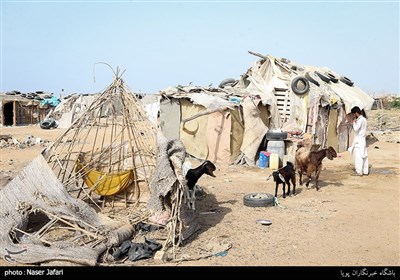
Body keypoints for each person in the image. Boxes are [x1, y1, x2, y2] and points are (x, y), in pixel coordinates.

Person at [348, 106, 369, 176]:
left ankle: (359, 171)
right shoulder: (364, 119)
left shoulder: (360, 120)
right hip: (362, 140)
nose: (353, 116)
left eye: (353, 114)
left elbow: (356, 129)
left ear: (356, 113)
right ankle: (365, 171)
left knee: (358, 156)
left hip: (358, 141)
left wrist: (354, 123)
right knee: (364, 155)